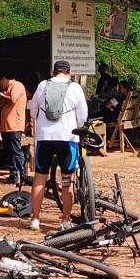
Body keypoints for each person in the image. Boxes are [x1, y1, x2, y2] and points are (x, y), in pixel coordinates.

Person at [27, 60, 90, 230]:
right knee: (67, 180)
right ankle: (66, 220)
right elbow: (83, 115)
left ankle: (35, 219)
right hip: (67, 138)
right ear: (69, 72)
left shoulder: (42, 85)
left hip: (45, 138)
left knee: (40, 178)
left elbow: (33, 111)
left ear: (53, 72)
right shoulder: (75, 87)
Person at [0, 69, 29, 186]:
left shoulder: (17, 86)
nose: (0, 85)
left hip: (14, 126)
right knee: (9, 153)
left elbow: (13, 99)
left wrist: (1, 95)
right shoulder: (7, 89)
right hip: (6, 127)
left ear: (4, 78)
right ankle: (13, 176)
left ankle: (23, 176)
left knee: (16, 151)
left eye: (0, 82)